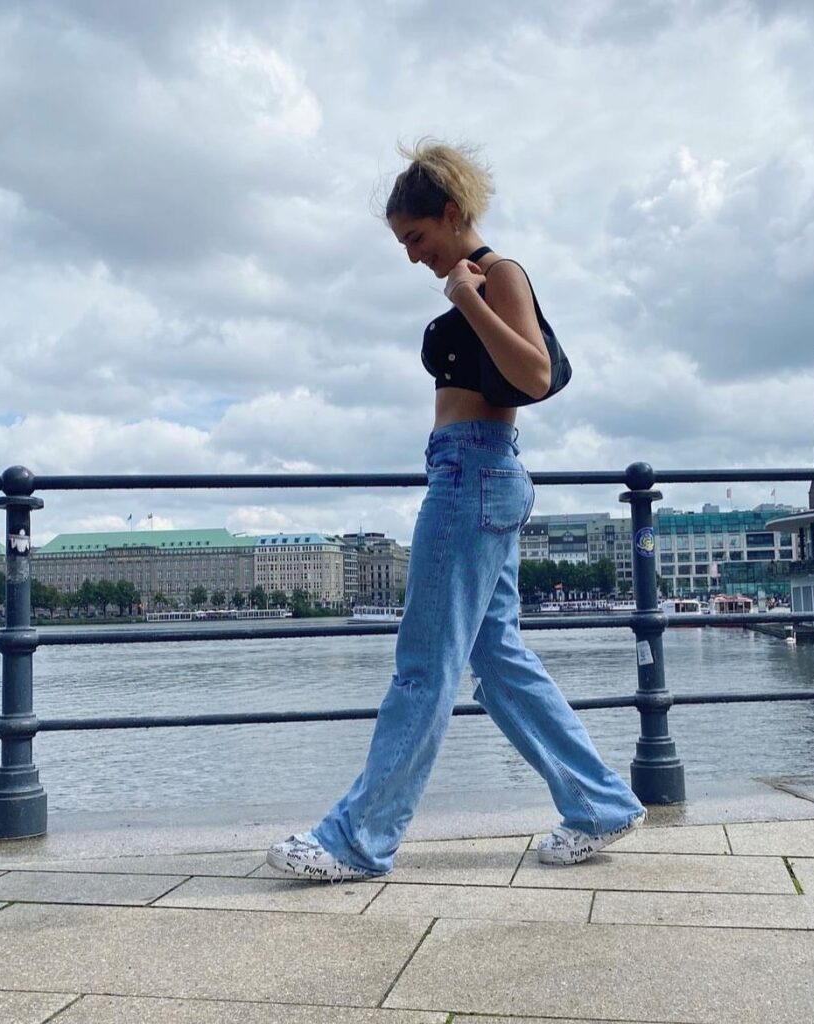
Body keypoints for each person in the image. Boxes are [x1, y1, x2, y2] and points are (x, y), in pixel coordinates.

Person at [266, 139, 644, 882]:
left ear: (449, 214)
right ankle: (598, 802)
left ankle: (357, 840)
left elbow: (533, 372)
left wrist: (469, 298)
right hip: (471, 470)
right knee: (498, 662)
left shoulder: (499, 273)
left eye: (417, 238)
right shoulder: (479, 275)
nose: (413, 257)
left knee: (424, 666)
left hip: (473, 472)